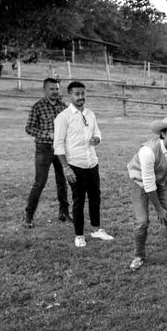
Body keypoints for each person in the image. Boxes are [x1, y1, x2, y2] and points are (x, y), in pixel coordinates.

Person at [127, 115, 167, 273]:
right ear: (163, 134)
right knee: (142, 222)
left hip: (160, 182)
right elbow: (148, 183)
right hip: (141, 183)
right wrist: (159, 210)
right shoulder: (147, 151)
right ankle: (139, 256)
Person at [54, 81, 114, 247]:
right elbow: (58, 145)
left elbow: (97, 131)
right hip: (75, 165)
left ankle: (96, 229)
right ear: (70, 96)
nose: (81, 97)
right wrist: (66, 168)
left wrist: (97, 139)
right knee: (78, 200)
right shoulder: (63, 117)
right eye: (77, 94)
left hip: (92, 163)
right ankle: (79, 235)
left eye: (83, 93)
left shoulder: (90, 114)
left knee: (95, 198)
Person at [22, 78, 70, 227]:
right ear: (45, 90)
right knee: (39, 183)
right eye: (52, 89)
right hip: (44, 149)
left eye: (57, 89)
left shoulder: (64, 107)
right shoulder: (38, 107)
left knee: (62, 182)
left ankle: (64, 213)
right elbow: (29, 128)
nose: (55, 92)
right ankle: (28, 216)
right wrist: (46, 134)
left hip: (61, 150)